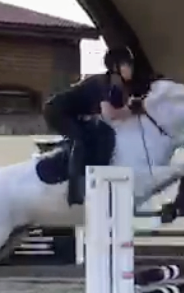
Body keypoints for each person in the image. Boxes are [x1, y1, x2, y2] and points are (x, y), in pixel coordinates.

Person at [43, 46, 138, 206]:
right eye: (127, 64)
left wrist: (132, 109)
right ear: (115, 67)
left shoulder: (118, 86)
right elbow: (109, 114)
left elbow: (118, 115)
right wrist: (131, 109)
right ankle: (75, 190)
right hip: (57, 110)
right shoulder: (103, 82)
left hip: (74, 114)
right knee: (80, 138)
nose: (131, 69)